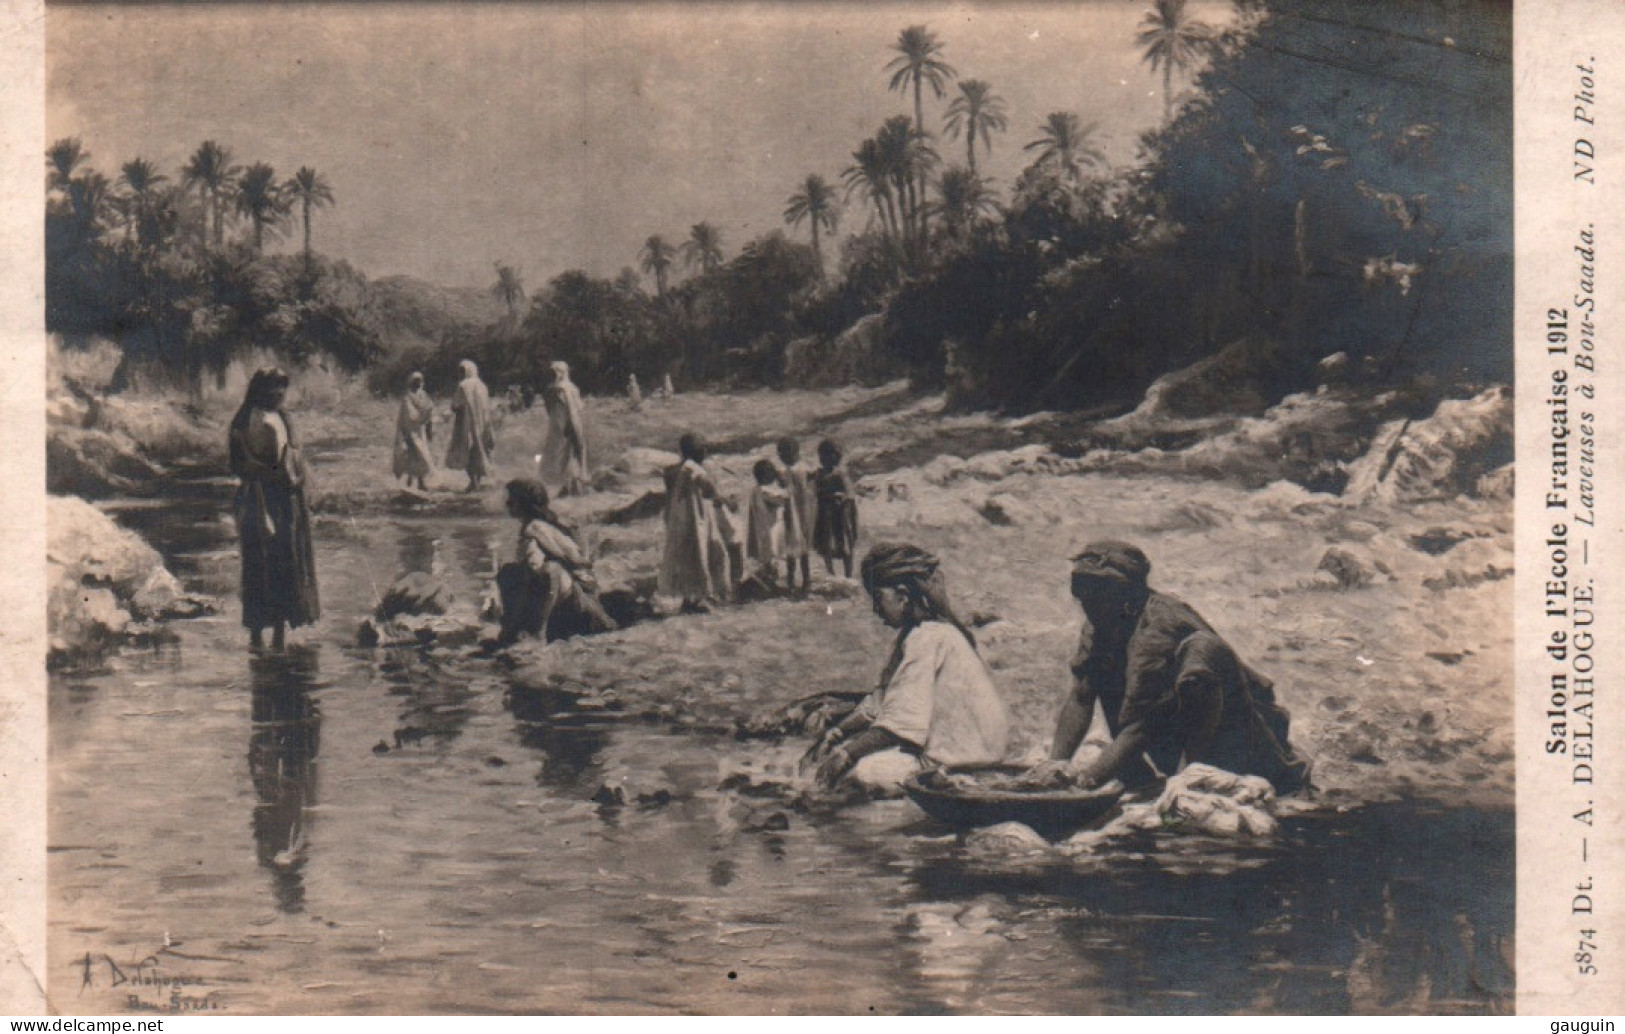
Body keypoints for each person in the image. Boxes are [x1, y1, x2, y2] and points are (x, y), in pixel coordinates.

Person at [1046, 541, 1311, 794]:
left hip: (1244, 750)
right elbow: (1081, 696)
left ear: (1126, 593)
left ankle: (1187, 781)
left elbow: (1141, 726)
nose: (1087, 605)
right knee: (1103, 669)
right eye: (1082, 593)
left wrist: (1087, 781)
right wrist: (1054, 766)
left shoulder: (1159, 624)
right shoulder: (1102, 622)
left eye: (1097, 594)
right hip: (1178, 744)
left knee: (1203, 649)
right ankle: (1142, 781)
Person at [809, 543, 1010, 787]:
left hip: (964, 759)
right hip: (970, 752)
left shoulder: (927, 637)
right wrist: (837, 734)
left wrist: (845, 755)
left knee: (864, 773)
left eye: (878, 599)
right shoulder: (917, 634)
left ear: (903, 596)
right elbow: (880, 702)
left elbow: (899, 726)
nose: (875, 609)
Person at [229, 368, 320, 651]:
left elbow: (295, 457)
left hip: (286, 500)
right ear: (260, 389)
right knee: (258, 565)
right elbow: (238, 464)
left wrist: (298, 478)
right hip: (259, 498)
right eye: (273, 388)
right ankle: (256, 635)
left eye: (283, 388)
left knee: (287, 564)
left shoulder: (283, 418)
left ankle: (280, 635)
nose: (279, 394)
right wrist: (270, 472)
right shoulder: (246, 420)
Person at [495, 479, 618, 645]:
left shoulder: (536, 528)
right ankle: (515, 629)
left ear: (524, 503)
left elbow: (574, 561)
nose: (508, 505)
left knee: (547, 571)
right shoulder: (537, 526)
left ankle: (537, 633)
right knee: (509, 571)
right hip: (561, 595)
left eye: (512, 501)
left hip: (577, 597)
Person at [658, 434, 730, 611]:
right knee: (704, 555)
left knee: (684, 558)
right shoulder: (695, 470)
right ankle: (703, 596)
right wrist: (726, 500)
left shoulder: (674, 471)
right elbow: (710, 490)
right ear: (701, 452)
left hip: (678, 520)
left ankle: (688, 598)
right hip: (697, 520)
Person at [445, 359, 496, 491]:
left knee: (468, 448)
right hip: (483, 422)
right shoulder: (482, 386)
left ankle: (473, 482)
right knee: (479, 449)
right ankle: (477, 480)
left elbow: (455, 405)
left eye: (461, 371)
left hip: (466, 423)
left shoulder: (463, 385)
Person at [540, 360, 589, 497]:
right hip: (565, 425)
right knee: (568, 454)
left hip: (562, 425)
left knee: (563, 455)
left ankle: (570, 487)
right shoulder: (564, 388)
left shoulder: (557, 389)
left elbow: (555, 410)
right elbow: (574, 410)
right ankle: (571, 487)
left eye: (556, 371)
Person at [812, 438, 858, 580]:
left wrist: (840, 497)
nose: (823, 459)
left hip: (840, 514)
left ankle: (848, 575)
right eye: (822, 456)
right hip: (824, 513)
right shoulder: (818, 474)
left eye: (828, 455)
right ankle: (830, 573)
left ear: (837, 456)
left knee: (844, 544)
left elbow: (850, 495)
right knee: (826, 544)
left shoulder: (840, 474)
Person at [775, 437, 814, 593]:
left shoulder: (799, 470)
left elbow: (803, 490)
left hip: (799, 513)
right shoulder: (792, 470)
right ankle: (794, 580)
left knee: (800, 549)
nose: (784, 458)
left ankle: (804, 581)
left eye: (786, 455)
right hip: (793, 514)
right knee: (792, 549)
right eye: (782, 455)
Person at [745, 459, 790, 589]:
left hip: (763, 527)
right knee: (772, 553)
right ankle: (770, 580)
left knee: (768, 554)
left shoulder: (756, 490)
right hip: (771, 528)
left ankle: (768, 577)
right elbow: (781, 499)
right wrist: (787, 485)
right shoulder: (765, 490)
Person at [391, 371, 435, 491]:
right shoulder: (407, 398)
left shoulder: (423, 395)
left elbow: (429, 410)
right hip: (409, 431)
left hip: (420, 431)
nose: (417, 384)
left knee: (420, 455)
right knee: (413, 455)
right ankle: (411, 482)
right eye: (415, 382)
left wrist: (428, 427)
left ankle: (420, 482)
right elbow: (409, 416)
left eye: (419, 381)